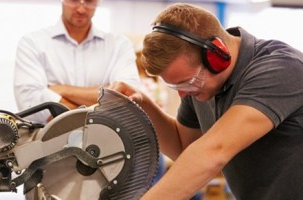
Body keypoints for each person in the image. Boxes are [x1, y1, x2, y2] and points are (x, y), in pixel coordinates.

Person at [108, 3, 303, 200]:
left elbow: (214, 151)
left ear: (217, 55)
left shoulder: (281, 69)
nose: (184, 95)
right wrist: (142, 105)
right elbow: (183, 146)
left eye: (187, 83)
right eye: (176, 87)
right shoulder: (200, 85)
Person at [13, 0, 141, 124]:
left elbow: (127, 97)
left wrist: (62, 90)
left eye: (89, 1)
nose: (81, 9)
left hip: (105, 143)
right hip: (49, 143)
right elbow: (31, 104)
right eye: (73, 0)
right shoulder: (32, 42)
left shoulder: (119, 45)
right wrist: (102, 103)